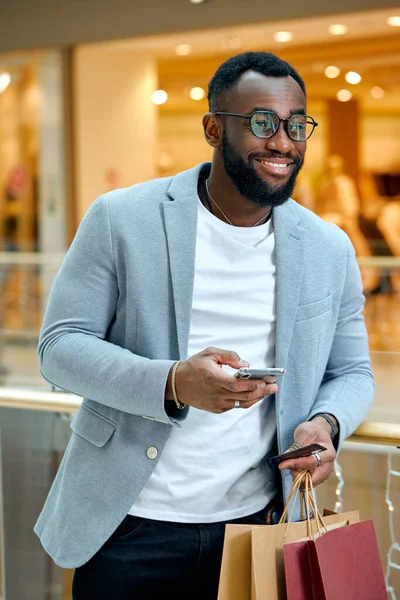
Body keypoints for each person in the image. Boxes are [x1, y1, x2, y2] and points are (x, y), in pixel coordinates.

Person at [34, 52, 375, 600]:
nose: (283, 142)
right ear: (214, 128)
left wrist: (326, 424)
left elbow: (353, 371)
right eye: (261, 122)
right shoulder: (121, 219)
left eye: (295, 125)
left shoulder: (328, 248)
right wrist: (172, 382)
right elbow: (59, 347)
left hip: (257, 529)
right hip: (128, 526)